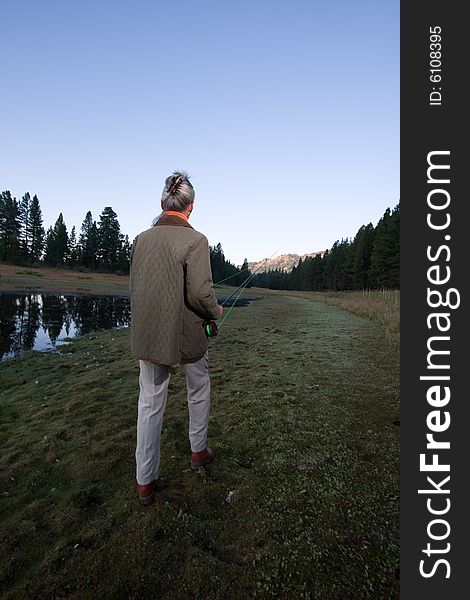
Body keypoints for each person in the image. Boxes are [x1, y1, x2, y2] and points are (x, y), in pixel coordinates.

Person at [130, 171, 223, 505]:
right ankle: (198, 452)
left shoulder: (140, 239)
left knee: (150, 401)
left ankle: (145, 482)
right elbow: (201, 293)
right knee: (198, 388)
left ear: (162, 203)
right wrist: (216, 311)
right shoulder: (196, 240)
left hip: (149, 334)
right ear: (191, 208)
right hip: (188, 333)